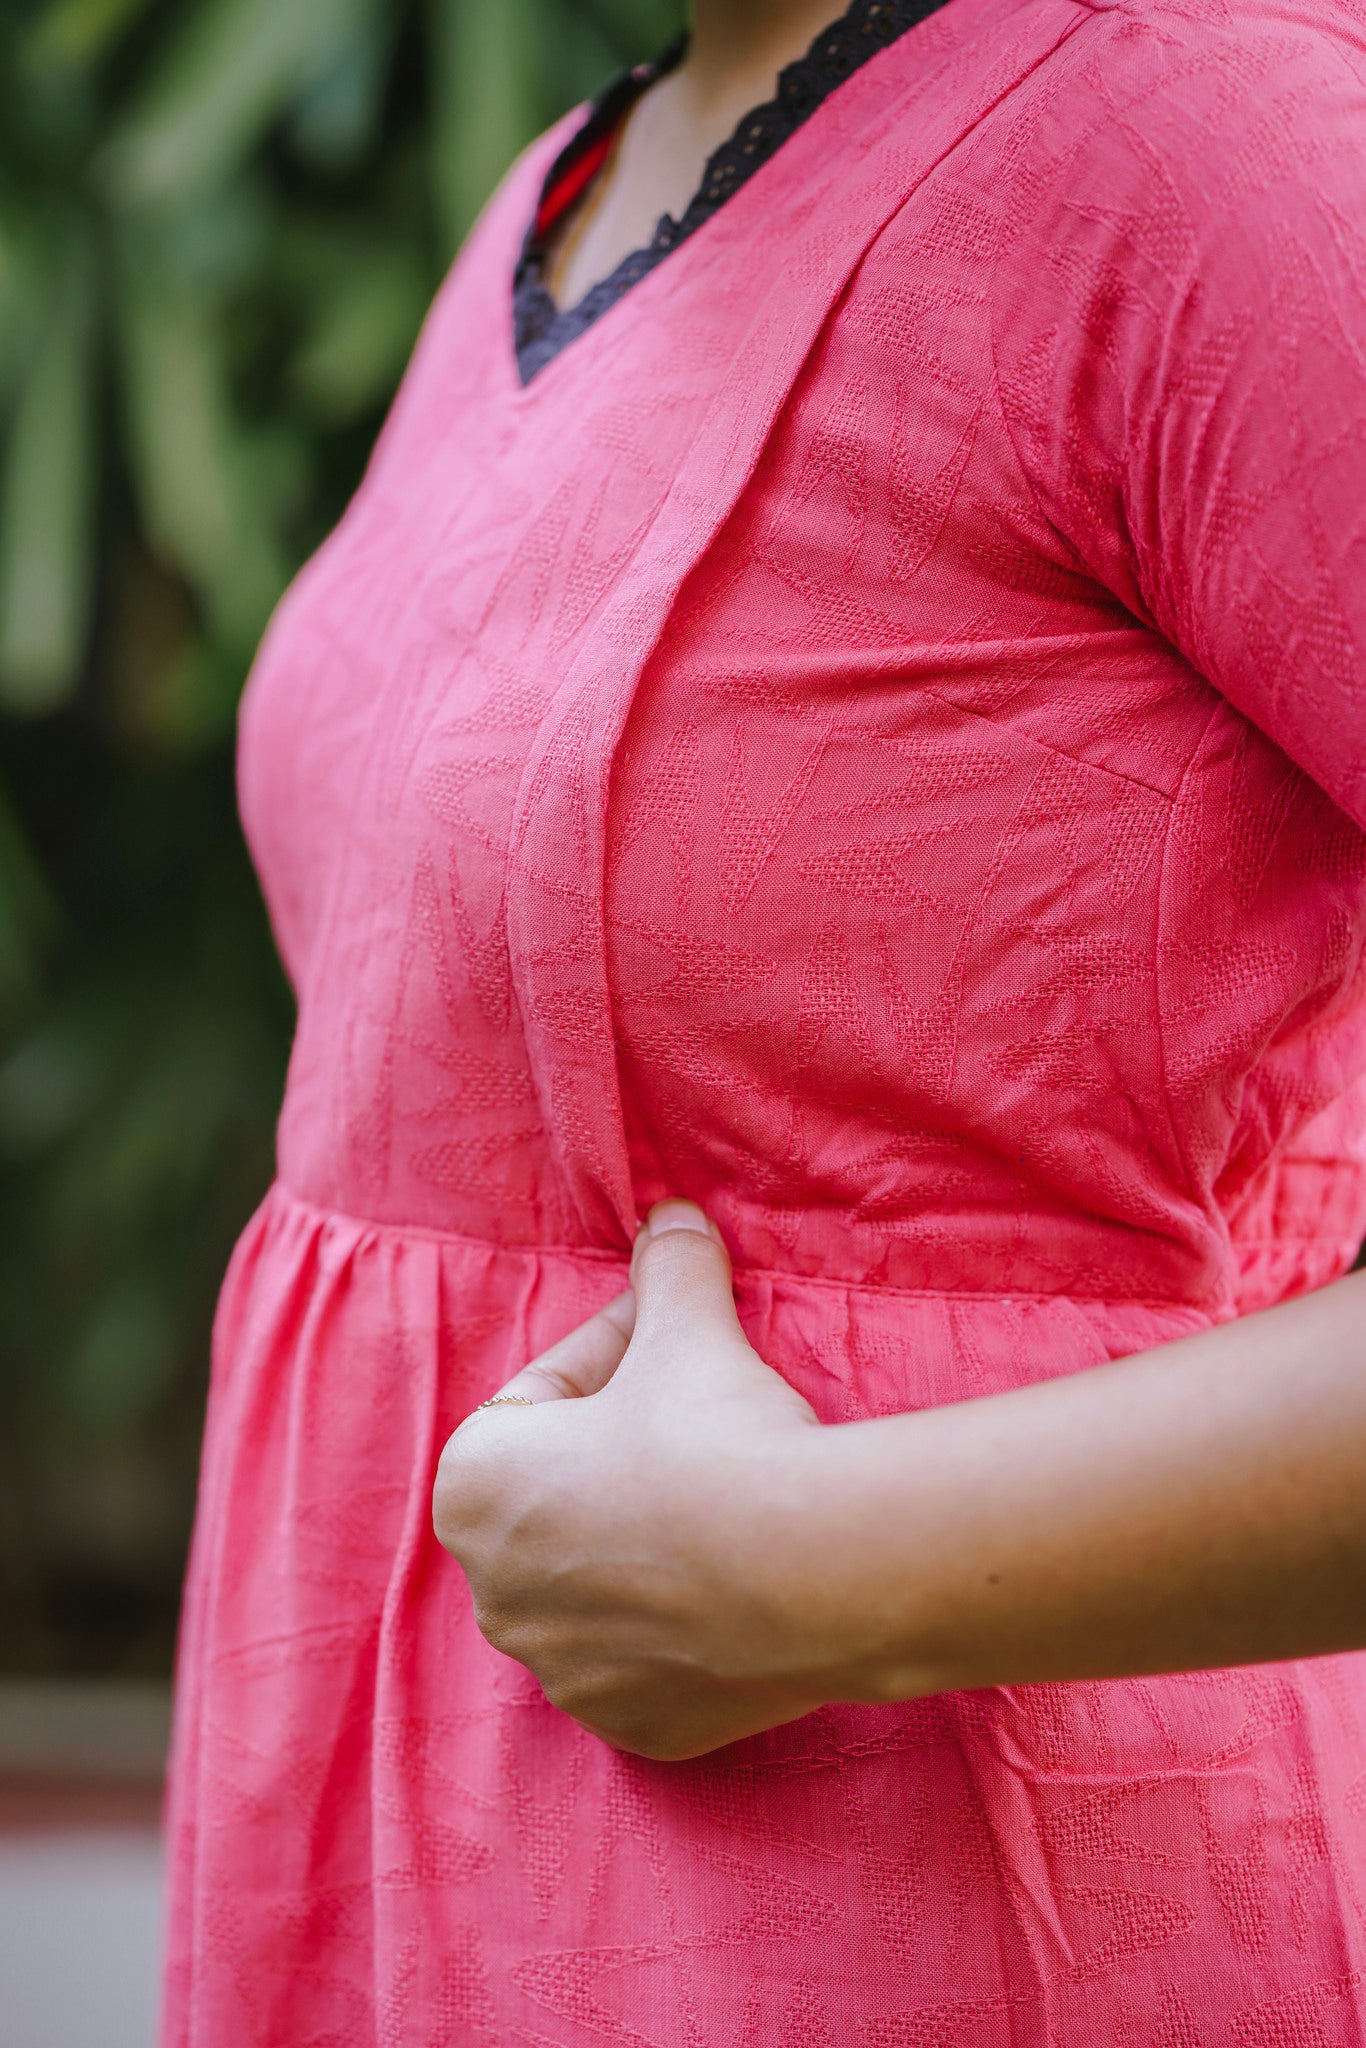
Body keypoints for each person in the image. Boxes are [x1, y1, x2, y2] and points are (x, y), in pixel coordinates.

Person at [162, 0, 1366, 2038]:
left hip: (948, 1934)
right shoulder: (569, 190)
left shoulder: (1222, 139)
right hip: (398, 1917)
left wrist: (814, 1563)